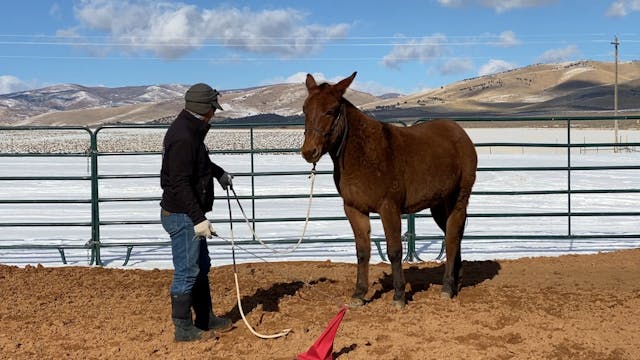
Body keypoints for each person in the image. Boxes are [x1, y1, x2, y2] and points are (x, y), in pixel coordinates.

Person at [160, 83, 234, 342]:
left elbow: (198, 162)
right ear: (206, 109)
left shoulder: (190, 131)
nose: (214, 113)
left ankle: (205, 317)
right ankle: (183, 329)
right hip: (182, 215)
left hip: (188, 213)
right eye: (213, 108)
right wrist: (198, 218)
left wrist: (218, 172)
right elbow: (179, 182)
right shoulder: (183, 136)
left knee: (201, 266)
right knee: (187, 270)